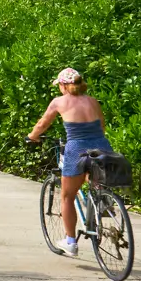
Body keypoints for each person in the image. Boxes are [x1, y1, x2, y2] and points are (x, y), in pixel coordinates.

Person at [28, 67, 113, 256]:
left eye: (59, 84)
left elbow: (43, 124)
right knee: (95, 179)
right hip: (101, 145)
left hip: (77, 148)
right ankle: (102, 197)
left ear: (65, 85)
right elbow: (102, 125)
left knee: (67, 196)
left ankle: (71, 242)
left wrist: (32, 136)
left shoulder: (59, 102)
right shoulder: (92, 101)